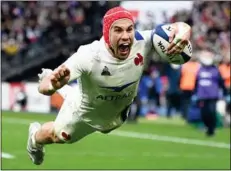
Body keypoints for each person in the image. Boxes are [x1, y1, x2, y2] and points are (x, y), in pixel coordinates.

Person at [27, 6, 191, 165]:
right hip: (85, 115)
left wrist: (184, 32)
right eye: (118, 30)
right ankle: (34, 140)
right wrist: (52, 86)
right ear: (106, 34)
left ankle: (69, 92)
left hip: (116, 115)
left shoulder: (144, 40)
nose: (126, 36)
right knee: (58, 136)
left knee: (88, 102)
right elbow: (44, 87)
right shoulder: (89, 55)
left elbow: (178, 27)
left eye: (129, 29)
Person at [193, 50, 227, 136]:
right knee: (204, 113)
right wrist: (195, 92)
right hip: (202, 95)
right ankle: (207, 126)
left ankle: (211, 129)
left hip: (212, 95)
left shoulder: (215, 70)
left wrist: (225, 92)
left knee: (211, 112)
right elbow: (196, 82)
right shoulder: (200, 70)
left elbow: (221, 82)